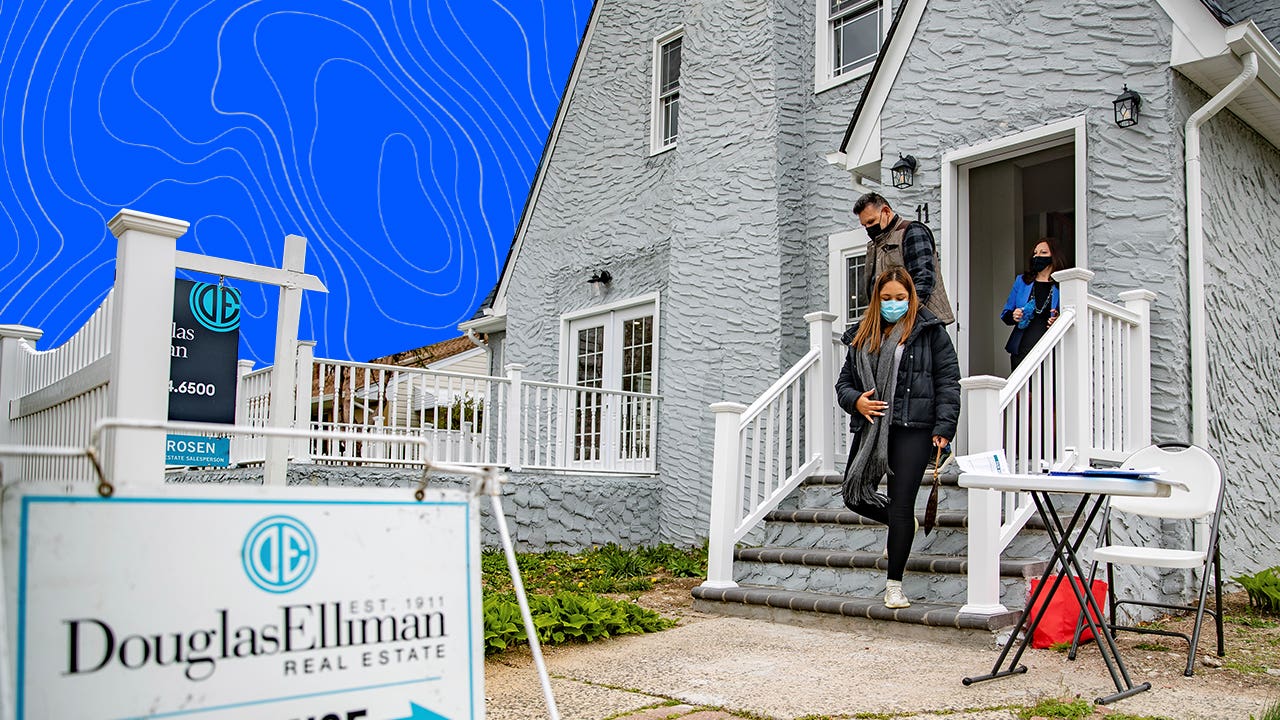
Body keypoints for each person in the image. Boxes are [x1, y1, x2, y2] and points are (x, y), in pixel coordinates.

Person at [837, 267, 961, 609]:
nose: (894, 304)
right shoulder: (863, 334)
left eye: (900, 298)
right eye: (887, 298)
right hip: (873, 428)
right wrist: (856, 401)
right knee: (854, 495)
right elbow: (844, 383)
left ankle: (894, 586)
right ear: (877, 299)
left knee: (902, 503)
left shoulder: (929, 331)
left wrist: (943, 428)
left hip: (914, 429)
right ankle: (902, 525)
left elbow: (948, 381)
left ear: (911, 297)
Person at [854, 192, 955, 325]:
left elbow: (924, 279)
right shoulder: (874, 246)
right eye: (864, 225)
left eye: (871, 221)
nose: (868, 228)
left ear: (886, 212)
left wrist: (906, 317)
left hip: (921, 322)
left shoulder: (912, 231)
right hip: (889, 324)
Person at [1000, 238, 1067, 371]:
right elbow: (1005, 315)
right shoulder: (1022, 281)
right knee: (1022, 383)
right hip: (1023, 345)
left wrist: (1058, 318)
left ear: (1054, 256)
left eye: (1043, 252)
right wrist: (1014, 315)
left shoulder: (1063, 284)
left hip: (1051, 346)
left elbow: (1071, 314)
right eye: (1035, 253)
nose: (1037, 256)